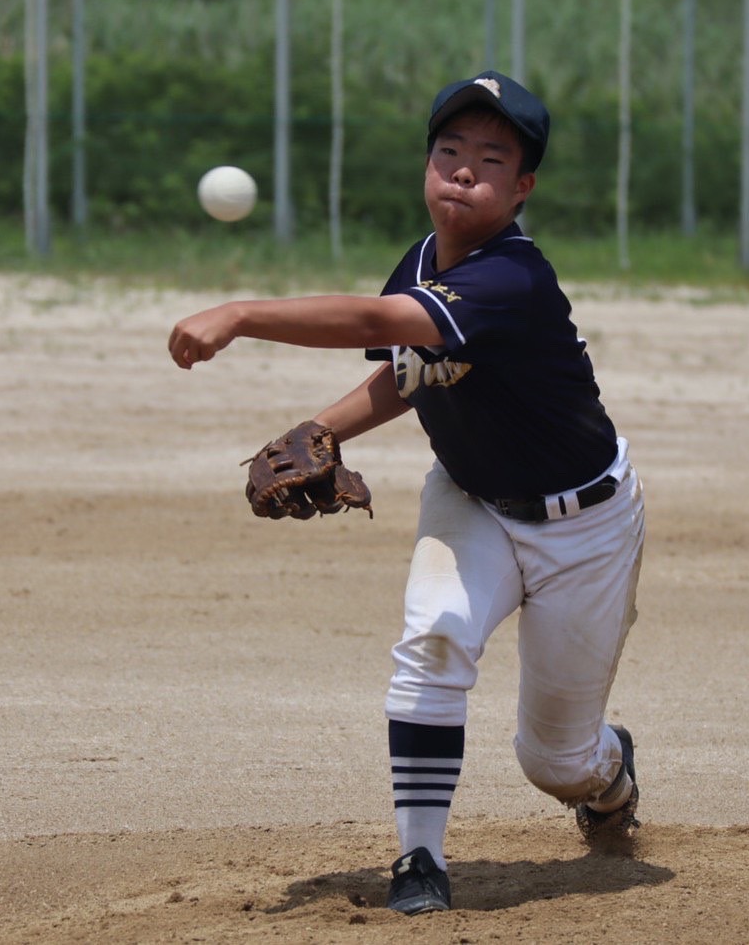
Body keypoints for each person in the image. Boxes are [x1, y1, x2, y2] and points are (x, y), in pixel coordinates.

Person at [168, 71, 646, 915]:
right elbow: (408, 373)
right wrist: (319, 432)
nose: (463, 171)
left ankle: (608, 776)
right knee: (433, 639)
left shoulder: (513, 279)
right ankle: (420, 860)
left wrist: (240, 313)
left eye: (490, 159)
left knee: (555, 763)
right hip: (471, 499)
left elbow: (373, 324)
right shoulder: (424, 260)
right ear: (427, 165)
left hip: (586, 528)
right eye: (449, 151)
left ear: (522, 186)